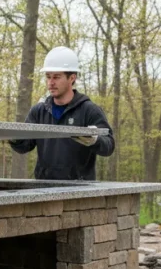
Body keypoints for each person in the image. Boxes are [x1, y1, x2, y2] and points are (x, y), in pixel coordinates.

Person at [8, 46, 115, 181]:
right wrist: (11, 136)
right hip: (43, 189)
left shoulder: (89, 110)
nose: (51, 83)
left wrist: (95, 140)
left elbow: (109, 145)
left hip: (79, 191)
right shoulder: (39, 111)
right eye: (48, 77)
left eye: (57, 77)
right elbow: (25, 145)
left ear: (72, 78)